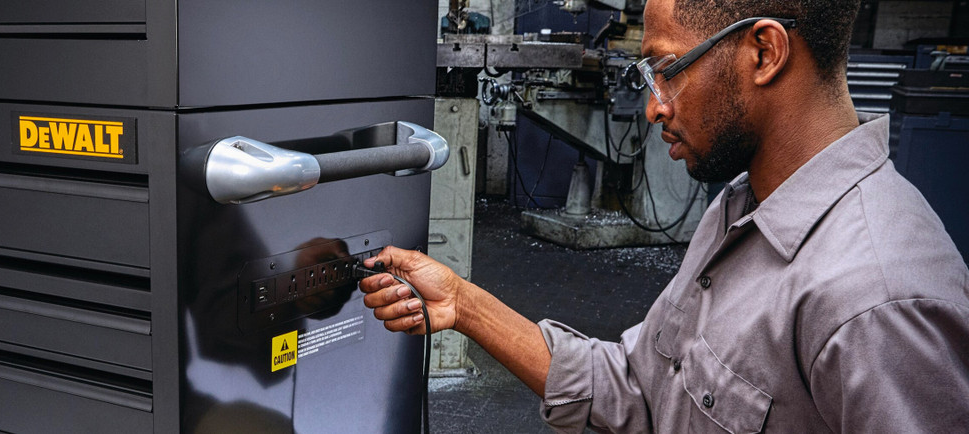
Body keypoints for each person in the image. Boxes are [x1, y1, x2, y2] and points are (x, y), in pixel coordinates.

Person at [360, 0, 969, 432]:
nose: (653, 108)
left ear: (764, 52)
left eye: (667, 69)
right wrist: (462, 305)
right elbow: (635, 389)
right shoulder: (738, 211)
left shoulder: (878, 302)